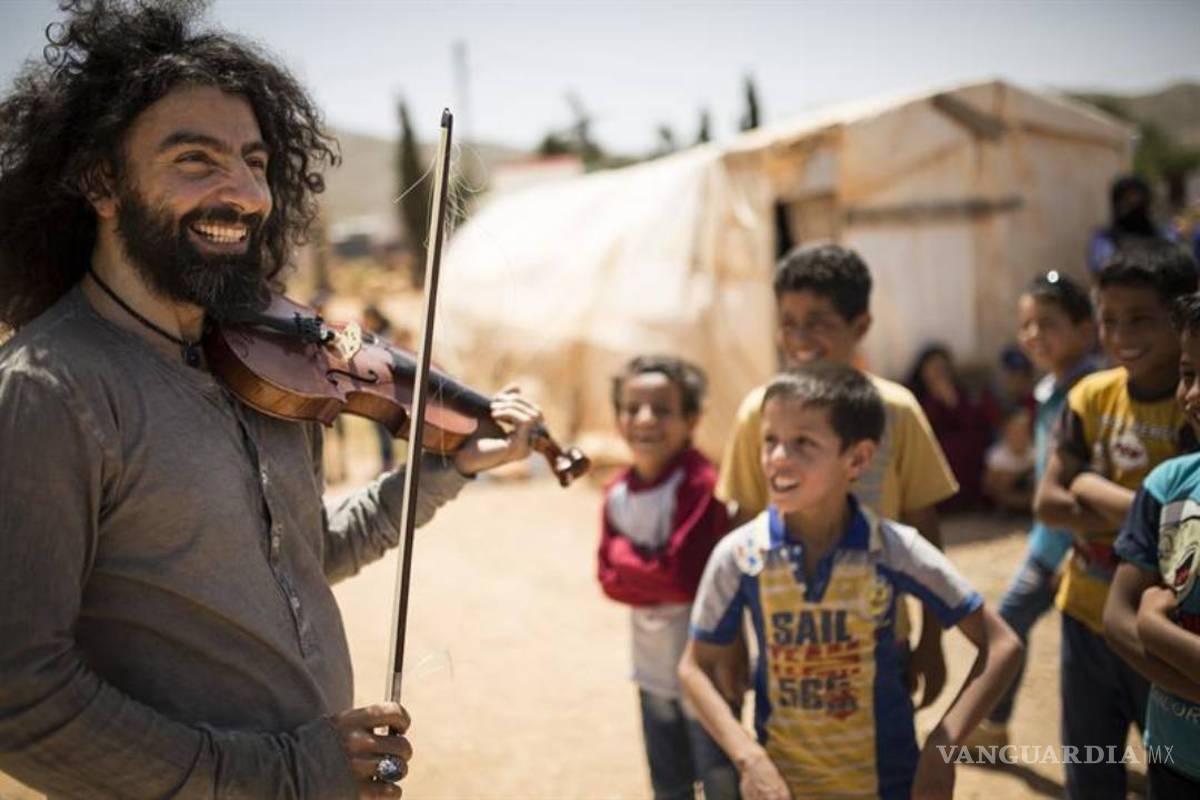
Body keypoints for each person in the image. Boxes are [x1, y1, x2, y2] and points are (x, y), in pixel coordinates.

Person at [0, 2, 545, 796]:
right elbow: (21, 697)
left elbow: (302, 554)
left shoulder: (266, 360)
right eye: (195, 159)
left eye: (255, 162)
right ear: (101, 181)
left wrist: (450, 466)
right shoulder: (50, 390)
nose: (245, 194)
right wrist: (286, 772)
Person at [679, 364, 1022, 800]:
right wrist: (749, 757)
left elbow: (1002, 645)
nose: (778, 457)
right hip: (784, 788)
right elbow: (694, 667)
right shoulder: (740, 556)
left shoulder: (894, 550)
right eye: (770, 440)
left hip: (891, 785)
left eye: (803, 442)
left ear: (857, 459)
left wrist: (942, 746)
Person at [716, 243, 961, 709]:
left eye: (818, 322)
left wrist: (932, 639)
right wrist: (732, 640)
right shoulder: (759, 413)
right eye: (788, 322)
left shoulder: (897, 412)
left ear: (861, 326)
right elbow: (740, 530)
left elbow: (925, 530)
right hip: (786, 642)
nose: (800, 337)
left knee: (885, 769)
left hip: (881, 639)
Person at [1034, 244, 1198, 799]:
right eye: (1109, 319)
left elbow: (1170, 516)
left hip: (1171, 624)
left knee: (1170, 762)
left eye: (1141, 319)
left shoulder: (1190, 407)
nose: (1121, 332)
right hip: (1087, 610)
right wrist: (1140, 516)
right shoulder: (1090, 397)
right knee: (1090, 765)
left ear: (1181, 322)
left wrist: (1089, 485)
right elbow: (1049, 503)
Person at [969, 271, 1099, 748]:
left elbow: (1095, 482)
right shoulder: (1051, 391)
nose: (1034, 336)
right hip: (1048, 542)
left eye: (1048, 324)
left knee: (1093, 656)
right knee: (1009, 627)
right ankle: (994, 726)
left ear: (1086, 330)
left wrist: (1081, 548)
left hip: (1080, 549)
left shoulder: (1093, 394)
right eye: (1027, 325)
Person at [598, 355, 737, 800]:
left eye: (662, 409)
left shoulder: (700, 484)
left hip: (709, 672)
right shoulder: (616, 492)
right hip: (652, 670)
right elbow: (606, 579)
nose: (644, 420)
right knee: (669, 785)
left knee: (720, 781)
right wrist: (644, 566)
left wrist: (623, 554)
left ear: (692, 418)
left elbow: (684, 579)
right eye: (632, 408)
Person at [1103, 291, 1200, 799]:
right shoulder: (1167, 486)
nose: (1193, 394)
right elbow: (1116, 620)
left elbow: (1135, 619)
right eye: (1188, 373)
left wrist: (1155, 626)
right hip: (1175, 757)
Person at [906, 344, 999, 512]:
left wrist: (952, 401)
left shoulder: (959, 391)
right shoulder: (914, 395)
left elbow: (971, 421)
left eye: (942, 369)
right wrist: (935, 400)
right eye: (933, 368)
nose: (938, 373)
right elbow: (921, 425)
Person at [1087, 174, 1176, 276]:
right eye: (1127, 199)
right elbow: (1102, 264)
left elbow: (1175, 261)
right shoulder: (1105, 238)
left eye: (1137, 198)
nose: (1133, 204)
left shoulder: (1163, 233)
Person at [982, 406, 1036, 513]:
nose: (1019, 436)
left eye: (1022, 432)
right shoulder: (996, 454)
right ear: (1006, 432)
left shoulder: (1036, 452)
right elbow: (988, 484)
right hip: (1006, 496)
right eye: (1015, 432)